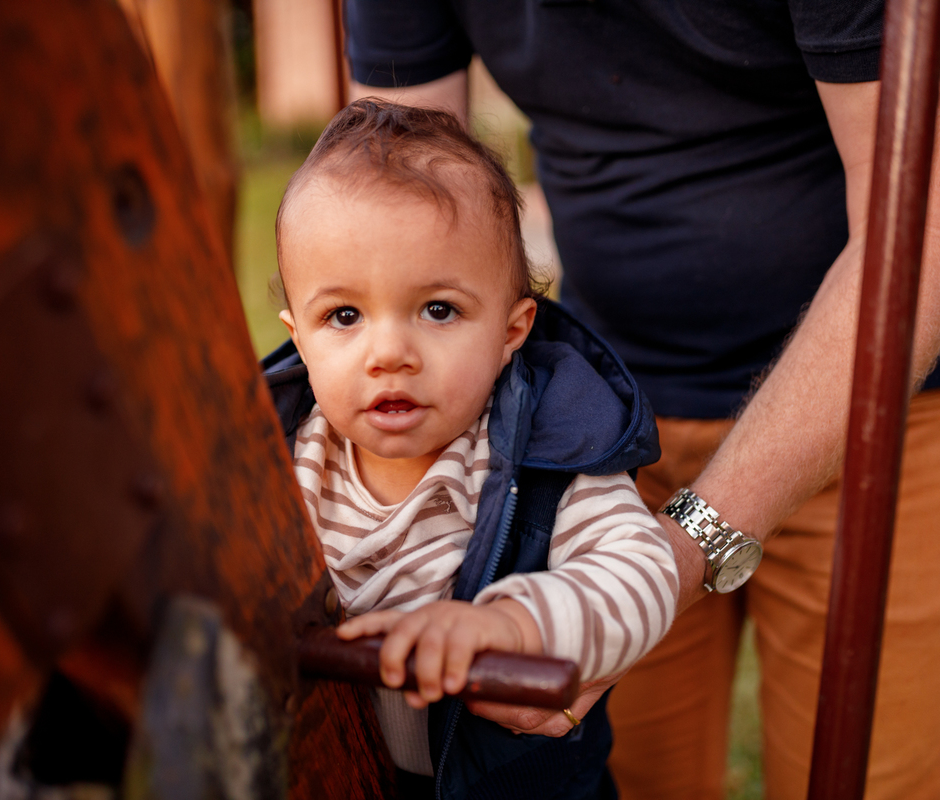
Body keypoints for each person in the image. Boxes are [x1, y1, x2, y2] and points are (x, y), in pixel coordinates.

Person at [343, 2, 940, 798]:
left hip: (884, 414)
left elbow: (938, 215)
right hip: (605, 440)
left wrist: (682, 550)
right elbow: (404, 214)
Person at [262, 99, 679, 800]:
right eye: (343, 316)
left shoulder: (551, 459)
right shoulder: (279, 466)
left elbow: (644, 575)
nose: (389, 352)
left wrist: (514, 621)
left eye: (438, 310)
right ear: (298, 337)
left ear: (513, 330)